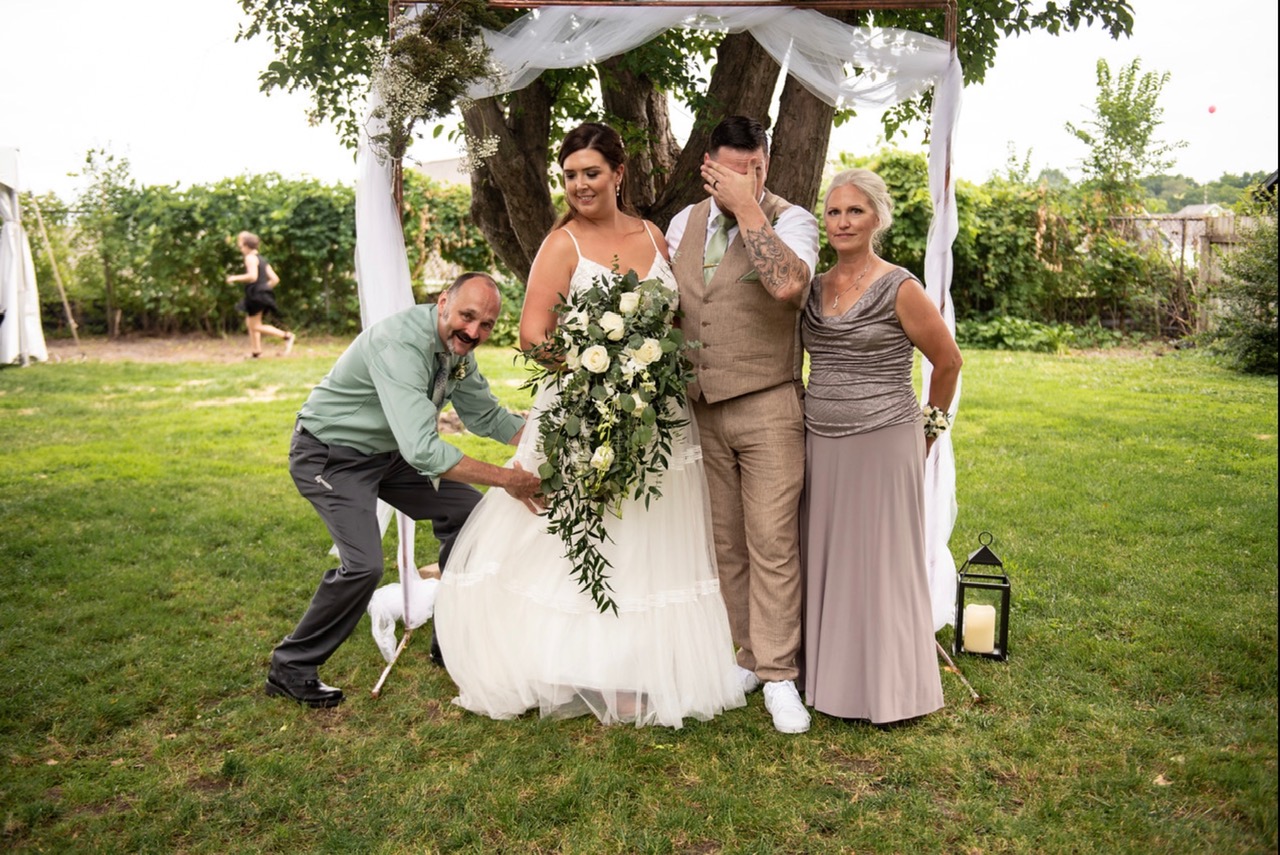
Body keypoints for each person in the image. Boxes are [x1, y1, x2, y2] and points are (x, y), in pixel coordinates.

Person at [433, 122, 745, 728]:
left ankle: (637, 669)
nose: (579, 184)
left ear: (618, 174)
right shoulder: (562, 244)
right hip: (582, 408)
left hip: (654, 413)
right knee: (579, 531)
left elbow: (673, 319)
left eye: (591, 173)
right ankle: (566, 662)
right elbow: (533, 334)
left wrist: (647, 372)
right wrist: (600, 374)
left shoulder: (653, 235)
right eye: (570, 175)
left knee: (646, 534)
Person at [265, 272, 543, 708]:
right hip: (331, 453)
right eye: (467, 316)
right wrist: (509, 479)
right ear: (443, 302)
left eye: (486, 324)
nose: (474, 331)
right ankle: (291, 666)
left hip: (389, 453)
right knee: (363, 567)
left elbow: (486, 416)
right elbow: (425, 450)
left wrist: (551, 438)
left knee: (472, 518)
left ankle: (449, 638)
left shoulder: (456, 350)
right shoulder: (401, 344)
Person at [665, 116, 819, 734]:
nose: (741, 180)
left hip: (768, 405)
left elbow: (787, 286)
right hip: (701, 405)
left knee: (772, 541)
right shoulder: (683, 223)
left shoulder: (792, 220)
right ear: (708, 166)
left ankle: (781, 675)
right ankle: (747, 657)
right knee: (726, 541)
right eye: (729, 171)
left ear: (766, 163)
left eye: (752, 169)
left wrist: (748, 207)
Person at [800, 168, 962, 724]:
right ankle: (829, 680)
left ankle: (890, 690)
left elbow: (948, 362)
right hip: (821, 440)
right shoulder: (813, 287)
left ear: (877, 219)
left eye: (855, 211)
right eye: (834, 211)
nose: (842, 222)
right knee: (830, 560)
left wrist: (928, 433)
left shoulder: (901, 287)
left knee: (881, 564)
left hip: (885, 440)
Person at [226, 231, 294, 358]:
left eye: (241, 246)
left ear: (246, 245)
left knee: (255, 325)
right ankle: (256, 351)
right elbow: (275, 279)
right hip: (261, 294)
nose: (240, 249)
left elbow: (252, 276)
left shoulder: (250, 258)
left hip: (255, 295)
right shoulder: (261, 259)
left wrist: (234, 278)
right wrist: (263, 289)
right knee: (251, 323)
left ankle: (286, 336)